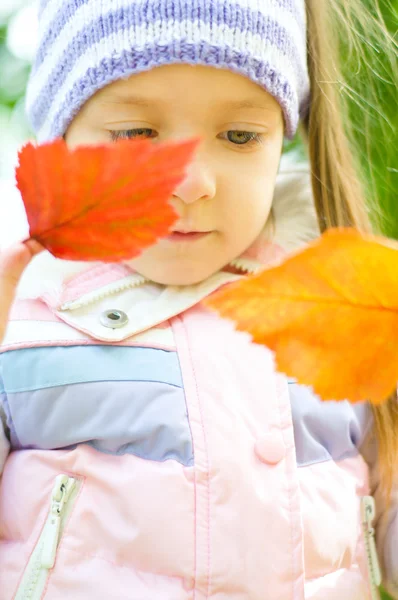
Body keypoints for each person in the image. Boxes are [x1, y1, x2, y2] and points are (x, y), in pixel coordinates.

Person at [0, 0, 396, 598]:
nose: (193, 183)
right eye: (137, 134)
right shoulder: (23, 319)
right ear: (61, 144)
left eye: (239, 136)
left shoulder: (342, 308)